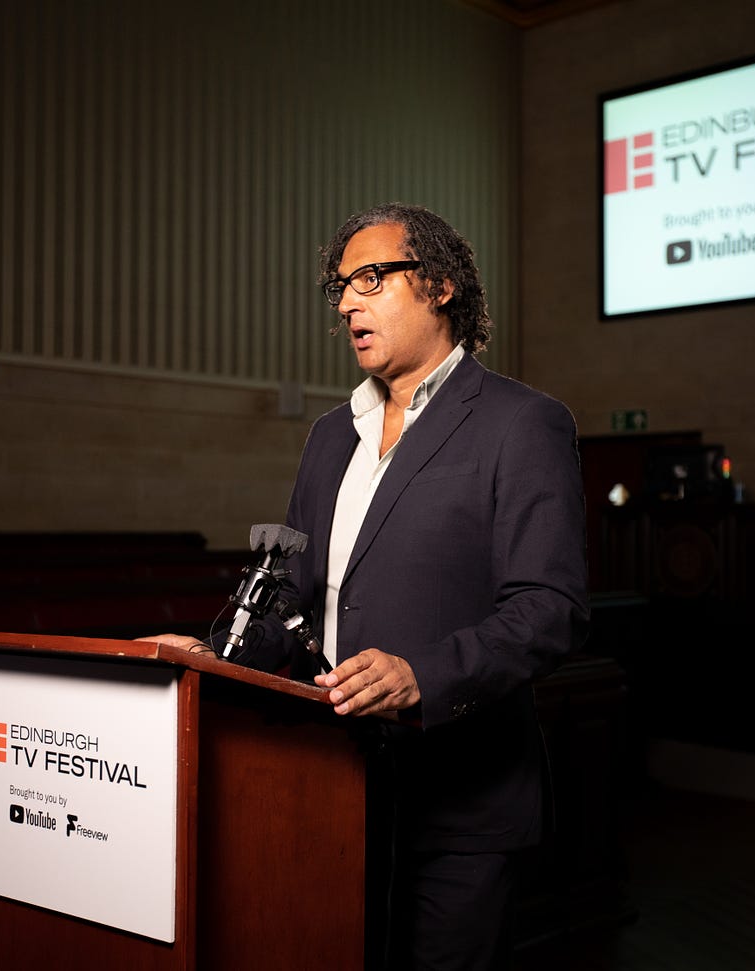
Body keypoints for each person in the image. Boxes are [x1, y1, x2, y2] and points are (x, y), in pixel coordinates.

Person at [143, 202, 589, 970]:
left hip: (463, 806)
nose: (348, 302)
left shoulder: (522, 423)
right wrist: (210, 657)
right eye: (341, 287)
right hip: (333, 788)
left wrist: (423, 675)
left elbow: (551, 611)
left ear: (441, 285)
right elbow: (293, 595)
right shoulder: (329, 436)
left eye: (372, 278)